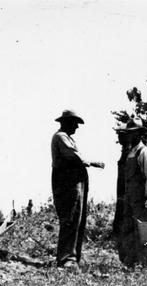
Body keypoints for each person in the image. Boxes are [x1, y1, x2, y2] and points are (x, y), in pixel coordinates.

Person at [50, 110, 104, 271]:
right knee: (70, 218)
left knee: (77, 219)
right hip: (67, 182)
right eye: (74, 123)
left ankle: (72, 257)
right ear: (66, 123)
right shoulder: (60, 137)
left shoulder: (67, 138)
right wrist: (93, 163)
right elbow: (74, 157)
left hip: (75, 182)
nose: (77, 127)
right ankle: (67, 259)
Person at [118, 118, 147, 267]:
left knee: (146, 234)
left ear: (140, 134)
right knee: (129, 232)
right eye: (128, 133)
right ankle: (132, 265)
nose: (130, 136)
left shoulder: (145, 152)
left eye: (133, 133)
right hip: (130, 200)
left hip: (142, 200)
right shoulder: (130, 153)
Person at [112, 121, 131, 260]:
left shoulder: (131, 152)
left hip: (128, 197)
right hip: (122, 196)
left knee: (125, 227)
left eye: (122, 134)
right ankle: (124, 258)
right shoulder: (125, 151)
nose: (119, 136)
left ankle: (128, 259)